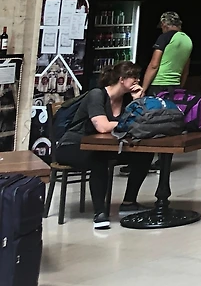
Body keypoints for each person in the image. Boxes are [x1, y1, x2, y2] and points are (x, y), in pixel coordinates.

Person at [54, 62, 156, 230]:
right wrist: (127, 123)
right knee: (98, 158)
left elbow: (141, 123)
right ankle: (100, 213)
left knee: (144, 153)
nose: (138, 80)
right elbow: (102, 126)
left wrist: (137, 101)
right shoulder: (96, 95)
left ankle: (129, 202)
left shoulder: (127, 100)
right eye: (134, 77)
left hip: (105, 146)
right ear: (122, 79)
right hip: (73, 145)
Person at [141, 11, 192, 94]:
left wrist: (143, 89)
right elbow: (185, 70)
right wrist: (180, 87)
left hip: (158, 85)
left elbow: (154, 65)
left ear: (163, 24)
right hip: (175, 85)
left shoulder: (164, 37)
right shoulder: (188, 40)